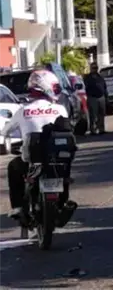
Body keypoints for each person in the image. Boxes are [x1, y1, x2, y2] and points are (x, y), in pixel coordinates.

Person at [1, 70, 71, 219]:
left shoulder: (23, 110)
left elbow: (6, 131)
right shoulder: (60, 109)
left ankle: (18, 207)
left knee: (13, 167)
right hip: (56, 159)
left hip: (32, 159)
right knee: (64, 171)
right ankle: (63, 201)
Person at [83, 64, 108, 135]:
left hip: (101, 97)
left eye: (96, 68)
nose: (95, 69)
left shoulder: (100, 77)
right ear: (90, 68)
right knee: (93, 115)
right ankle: (93, 130)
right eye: (93, 68)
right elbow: (85, 87)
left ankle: (101, 129)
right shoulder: (87, 78)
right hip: (92, 98)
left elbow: (105, 87)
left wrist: (106, 97)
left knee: (102, 114)